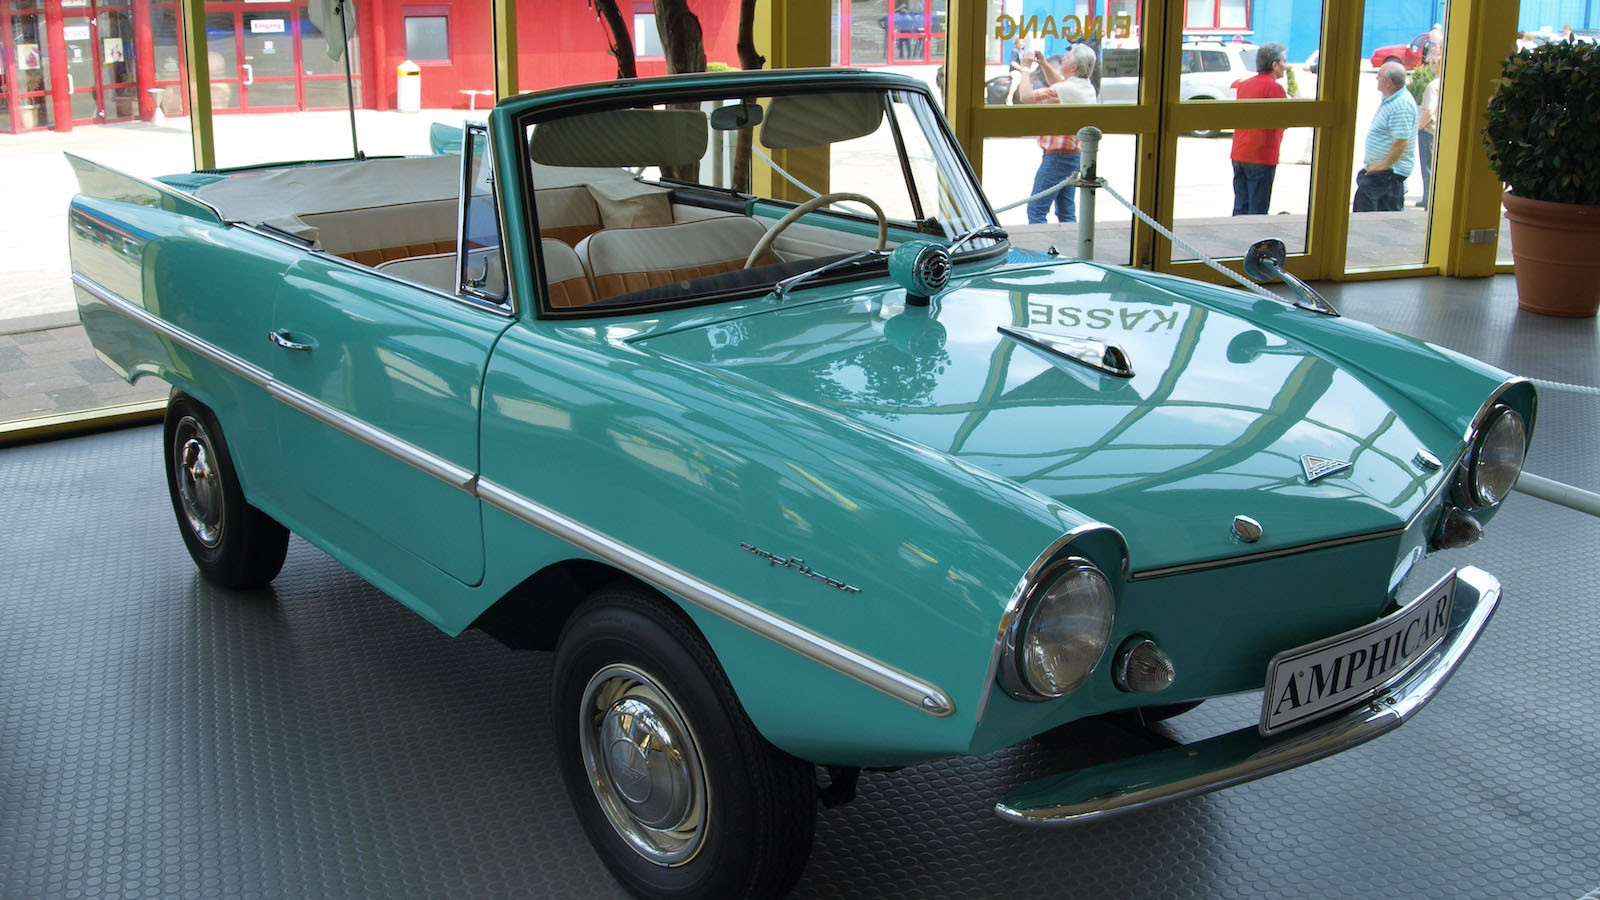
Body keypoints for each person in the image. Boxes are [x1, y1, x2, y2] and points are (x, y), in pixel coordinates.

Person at [1017, 43, 1099, 224]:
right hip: (1073, 156)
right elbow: (1059, 85)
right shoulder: (1084, 86)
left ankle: (1040, 244)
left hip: (1058, 157)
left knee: (1036, 210)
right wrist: (1044, 64)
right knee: (1066, 212)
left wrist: (1025, 68)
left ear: (1074, 67)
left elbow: (1026, 97)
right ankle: (1072, 241)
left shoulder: (1066, 89)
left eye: (1067, 57)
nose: (1063, 58)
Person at [1229, 42, 1288, 216]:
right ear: (1274, 65)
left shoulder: (1245, 85)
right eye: (1284, 61)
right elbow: (1285, 120)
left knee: (1240, 207)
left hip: (1240, 153)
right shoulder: (1274, 88)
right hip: (1261, 156)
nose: (1286, 66)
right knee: (1257, 212)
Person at [1353, 62, 1417, 212]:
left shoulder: (1401, 105)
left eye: (1379, 76)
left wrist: (1384, 164)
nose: (1376, 78)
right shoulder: (1391, 99)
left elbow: (1401, 142)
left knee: (1369, 213)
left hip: (1389, 173)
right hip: (1383, 171)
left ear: (1388, 82)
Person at [1416, 66, 1442, 208]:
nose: (1431, 65)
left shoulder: (1433, 86)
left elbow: (1429, 111)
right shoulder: (1445, 83)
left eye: (1434, 63)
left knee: (1427, 168)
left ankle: (1428, 200)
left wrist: (1420, 126)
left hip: (1428, 131)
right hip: (1438, 131)